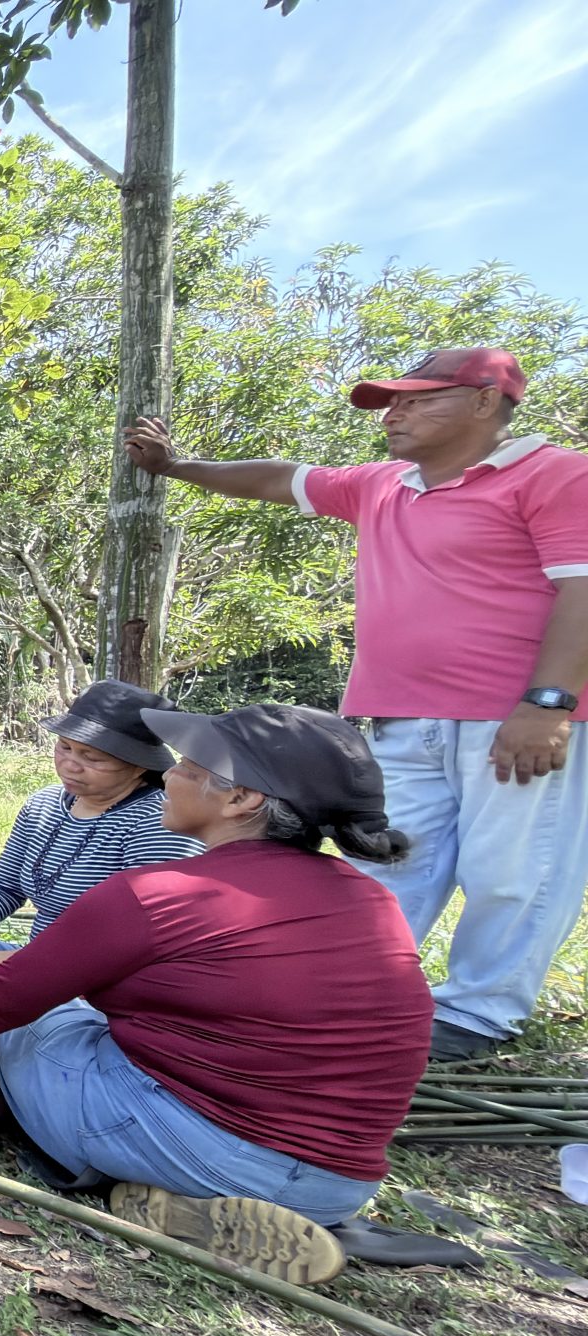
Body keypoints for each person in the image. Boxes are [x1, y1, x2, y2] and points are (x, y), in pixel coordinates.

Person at [0, 704, 433, 1284]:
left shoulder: (161, 891)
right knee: (56, 1005)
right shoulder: (371, 898)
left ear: (242, 799)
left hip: (205, 1149)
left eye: (188, 769)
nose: (171, 778)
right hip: (340, 1183)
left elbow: (5, 996)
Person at [126, 349, 588, 1061]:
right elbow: (282, 480)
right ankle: (361, 991)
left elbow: (581, 590)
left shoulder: (554, 473)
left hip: (511, 717)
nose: (394, 414)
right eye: (389, 403)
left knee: (512, 871)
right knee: (386, 857)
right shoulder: (384, 485)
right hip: (404, 715)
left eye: (417, 399)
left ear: (485, 402)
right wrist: (177, 465)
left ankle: (477, 1014)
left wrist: (548, 703)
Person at [0, 680, 204, 1011]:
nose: (71, 763)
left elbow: (136, 939)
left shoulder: (158, 822)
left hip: (100, 981)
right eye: (65, 747)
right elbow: (2, 885)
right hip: (34, 960)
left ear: (139, 764)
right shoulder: (44, 804)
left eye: (92, 757)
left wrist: (16, 963)